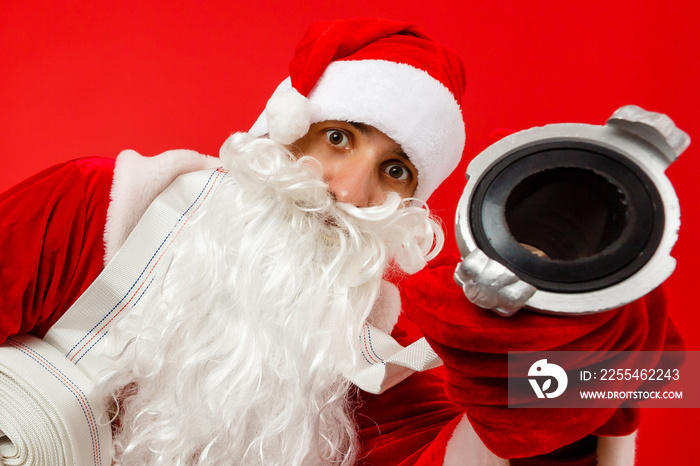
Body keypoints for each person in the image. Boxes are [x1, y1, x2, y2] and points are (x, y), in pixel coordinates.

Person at [0, 17, 681, 466]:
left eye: (392, 171)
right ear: (283, 124)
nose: (346, 192)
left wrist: (565, 338)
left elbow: (470, 449)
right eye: (336, 138)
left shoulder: (393, 344)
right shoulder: (101, 202)